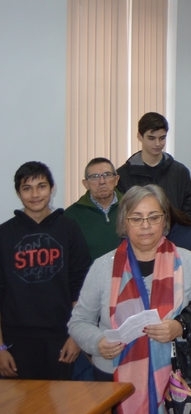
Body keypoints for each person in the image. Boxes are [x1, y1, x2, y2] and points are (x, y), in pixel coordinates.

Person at [68, 185, 191, 411]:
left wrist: (180, 327)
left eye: (153, 217)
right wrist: (98, 342)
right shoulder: (103, 267)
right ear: (124, 223)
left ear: (164, 220)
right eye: (136, 218)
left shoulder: (185, 261)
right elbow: (79, 321)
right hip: (114, 377)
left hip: (176, 377)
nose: (145, 226)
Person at [1, 162, 90, 380]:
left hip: (61, 338)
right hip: (15, 341)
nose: (35, 194)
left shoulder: (69, 229)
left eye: (41, 186)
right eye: (26, 188)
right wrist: (0, 348)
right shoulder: (4, 234)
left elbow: (80, 288)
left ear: (52, 188)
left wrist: (75, 336)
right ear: (18, 193)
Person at [117, 112, 191, 219]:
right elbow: (121, 214)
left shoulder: (180, 171)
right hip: (139, 233)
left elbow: (188, 209)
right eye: (151, 138)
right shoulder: (123, 175)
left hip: (175, 233)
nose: (158, 144)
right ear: (139, 136)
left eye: (162, 138)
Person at [64, 157, 125, 261]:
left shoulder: (131, 207)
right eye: (95, 177)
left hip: (128, 275)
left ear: (116, 180)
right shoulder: (71, 216)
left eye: (107, 175)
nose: (102, 181)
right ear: (86, 184)